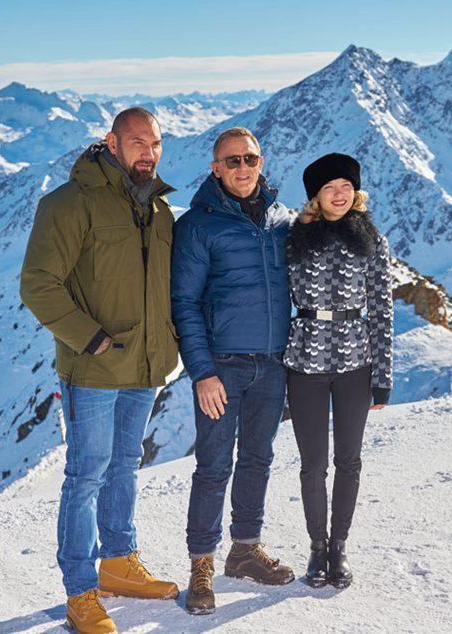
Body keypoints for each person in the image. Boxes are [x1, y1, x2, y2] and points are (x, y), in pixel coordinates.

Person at [19, 107, 180, 634]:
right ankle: (80, 591)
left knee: (125, 465)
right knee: (86, 475)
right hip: (92, 367)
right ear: (112, 143)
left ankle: (118, 562)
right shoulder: (70, 203)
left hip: (144, 365)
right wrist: (91, 339)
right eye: (137, 142)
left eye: (155, 143)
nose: (148, 153)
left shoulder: (160, 210)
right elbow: (37, 283)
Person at [171, 127, 295, 615]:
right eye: (233, 160)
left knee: (258, 459)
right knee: (214, 465)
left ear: (261, 163)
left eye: (251, 158)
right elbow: (183, 303)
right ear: (215, 168)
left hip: (273, 364)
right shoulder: (198, 226)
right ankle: (201, 563)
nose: (243, 168)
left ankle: (244, 550)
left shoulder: (282, 220)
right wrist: (201, 372)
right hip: (222, 368)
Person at [283, 153, 393, 589]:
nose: (340, 194)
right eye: (330, 187)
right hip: (304, 362)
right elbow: (277, 300)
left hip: (354, 363)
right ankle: (317, 546)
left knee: (349, 460)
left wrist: (383, 376)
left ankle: (339, 546)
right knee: (313, 464)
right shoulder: (294, 239)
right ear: (316, 195)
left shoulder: (372, 240)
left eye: (346, 186)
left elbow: (382, 310)